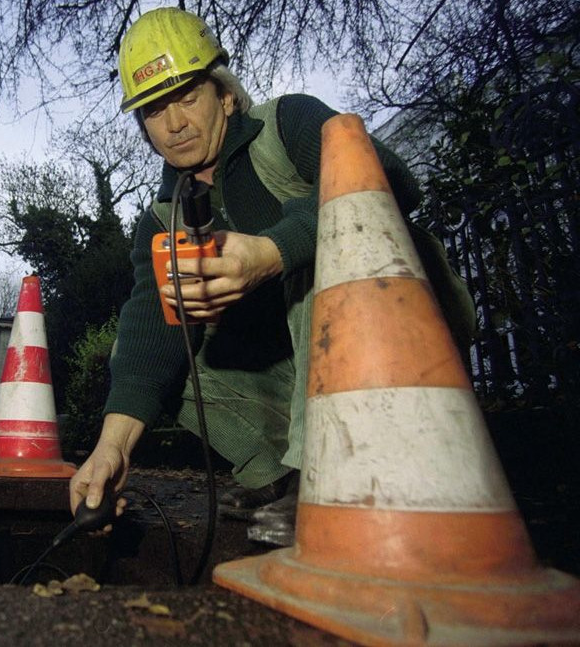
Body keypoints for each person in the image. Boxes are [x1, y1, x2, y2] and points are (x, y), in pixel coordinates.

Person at [68, 7, 473, 546]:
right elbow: (153, 329)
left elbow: (393, 180)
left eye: (187, 97)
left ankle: (325, 478)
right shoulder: (161, 220)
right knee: (173, 344)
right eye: (153, 110)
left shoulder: (290, 123)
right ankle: (282, 479)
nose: (174, 124)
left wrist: (273, 251)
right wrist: (111, 448)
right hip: (297, 378)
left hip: (405, 341)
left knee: (313, 265)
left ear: (225, 94)